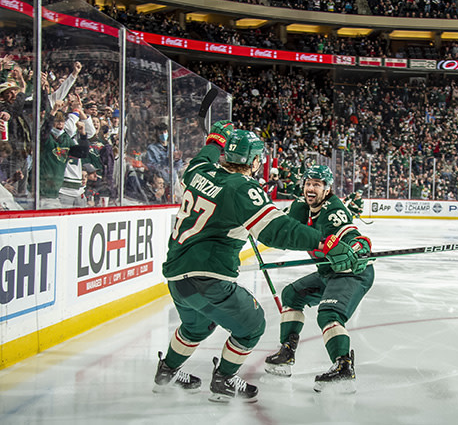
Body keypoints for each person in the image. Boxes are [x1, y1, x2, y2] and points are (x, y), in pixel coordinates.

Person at [154, 125, 359, 403]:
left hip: (177, 278)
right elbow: (277, 230)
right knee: (252, 326)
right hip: (209, 278)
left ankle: (167, 371)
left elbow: (207, 152)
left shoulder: (198, 170)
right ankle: (224, 379)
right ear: (252, 161)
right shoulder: (241, 188)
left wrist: (215, 139)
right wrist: (324, 242)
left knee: (195, 328)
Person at [264, 165, 375, 394]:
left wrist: (357, 248)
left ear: (327, 189)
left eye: (317, 184)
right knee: (291, 295)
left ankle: (343, 366)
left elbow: (353, 236)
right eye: (308, 183)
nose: (311, 188)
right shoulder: (301, 207)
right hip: (328, 271)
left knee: (329, 313)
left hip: (352, 272)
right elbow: (281, 231)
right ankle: (286, 352)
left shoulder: (332, 211)